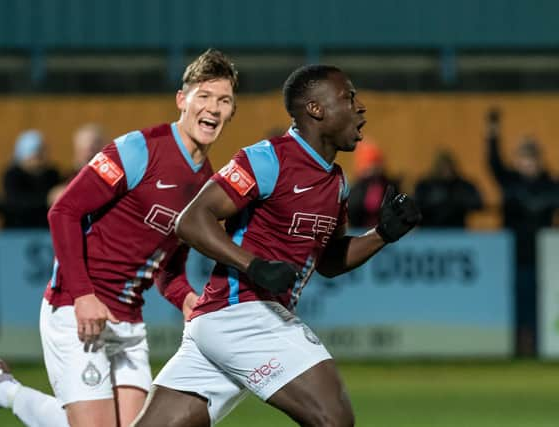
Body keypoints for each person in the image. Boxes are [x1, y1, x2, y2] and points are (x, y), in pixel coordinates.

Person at [0, 49, 239, 427]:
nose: (213, 108)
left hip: (129, 321)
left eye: (224, 100)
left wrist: (184, 296)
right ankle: (2, 390)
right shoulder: (138, 149)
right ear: (182, 100)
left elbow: (167, 267)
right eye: (204, 96)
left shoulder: (205, 184)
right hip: (77, 307)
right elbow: (63, 212)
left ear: (232, 112)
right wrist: (83, 295)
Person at [133, 65, 421, 427]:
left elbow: (329, 261)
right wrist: (254, 266)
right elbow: (191, 220)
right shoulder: (269, 158)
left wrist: (382, 234)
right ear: (315, 109)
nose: (360, 107)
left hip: (220, 322)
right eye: (348, 97)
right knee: (333, 420)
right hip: (244, 314)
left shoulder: (336, 182)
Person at [486, 108, 559, 357]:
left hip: (544, 259)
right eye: (524, 158)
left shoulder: (550, 185)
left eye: (532, 158)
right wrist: (493, 132)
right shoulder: (511, 182)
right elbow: (493, 163)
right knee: (514, 301)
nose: (528, 163)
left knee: (541, 302)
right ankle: (516, 346)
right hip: (514, 254)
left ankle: (539, 345)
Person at [2, 130, 61, 228]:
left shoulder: (52, 175)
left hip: (46, 232)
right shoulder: (12, 176)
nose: (39, 157)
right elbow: (15, 203)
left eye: (42, 152)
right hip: (17, 232)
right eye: (36, 153)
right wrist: (47, 199)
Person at [414, 149, 483, 227]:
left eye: (448, 167)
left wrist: (457, 203)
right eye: (442, 167)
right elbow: (415, 208)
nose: (445, 171)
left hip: (456, 230)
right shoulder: (425, 186)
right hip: (429, 230)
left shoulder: (462, 186)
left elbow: (478, 204)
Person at [47, 123, 107, 206]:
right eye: (84, 143)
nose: (90, 147)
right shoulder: (63, 179)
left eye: (96, 143)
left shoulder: (114, 179)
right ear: (77, 147)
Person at [347, 139, 399, 228]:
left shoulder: (390, 186)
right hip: (362, 231)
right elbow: (353, 211)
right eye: (370, 165)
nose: (373, 169)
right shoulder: (356, 190)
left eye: (375, 164)